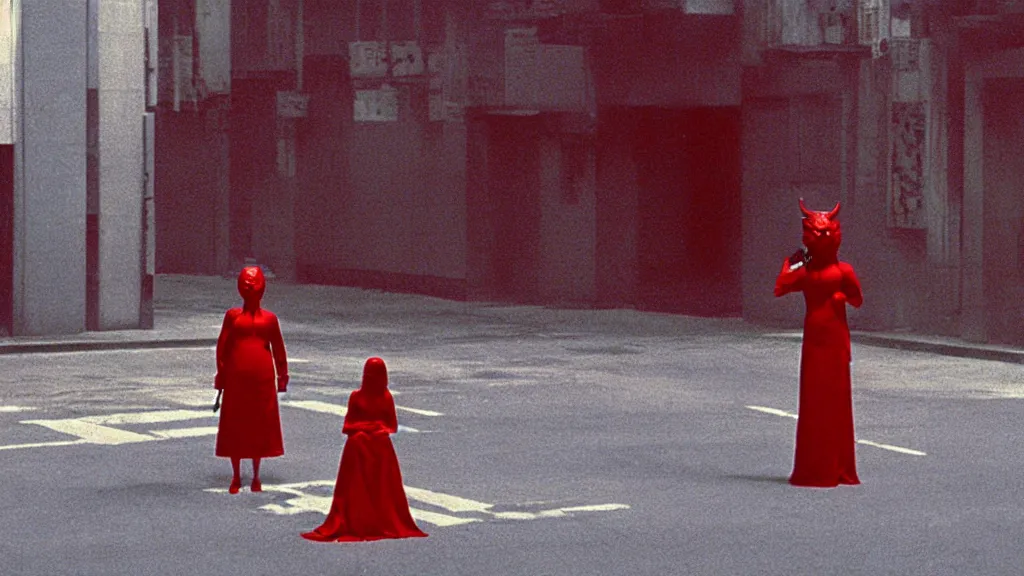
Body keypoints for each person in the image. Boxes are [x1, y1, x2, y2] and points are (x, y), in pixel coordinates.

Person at [774, 199, 863, 488]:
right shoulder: (806, 269)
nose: (824, 237)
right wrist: (796, 260)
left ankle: (836, 465)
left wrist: (841, 298)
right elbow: (780, 287)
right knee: (814, 400)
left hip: (834, 337)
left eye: (828, 232)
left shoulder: (844, 271)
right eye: (818, 233)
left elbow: (857, 298)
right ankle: (814, 467)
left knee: (834, 399)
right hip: (814, 338)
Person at [301, 357, 428, 542]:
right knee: (357, 442)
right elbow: (347, 426)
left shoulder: (386, 397)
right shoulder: (356, 397)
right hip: (360, 442)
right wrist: (364, 428)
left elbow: (391, 426)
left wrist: (375, 429)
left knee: (377, 444)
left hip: (377, 442)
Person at [214, 266, 289, 494]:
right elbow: (222, 348)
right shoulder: (233, 317)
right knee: (236, 424)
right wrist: (222, 374)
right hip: (238, 377)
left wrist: (282, 376)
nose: (250, 288)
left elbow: (279, 349)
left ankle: (255, 475)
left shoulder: (269, 320)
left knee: (258, 425)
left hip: (261, 379)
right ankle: (237, 475)